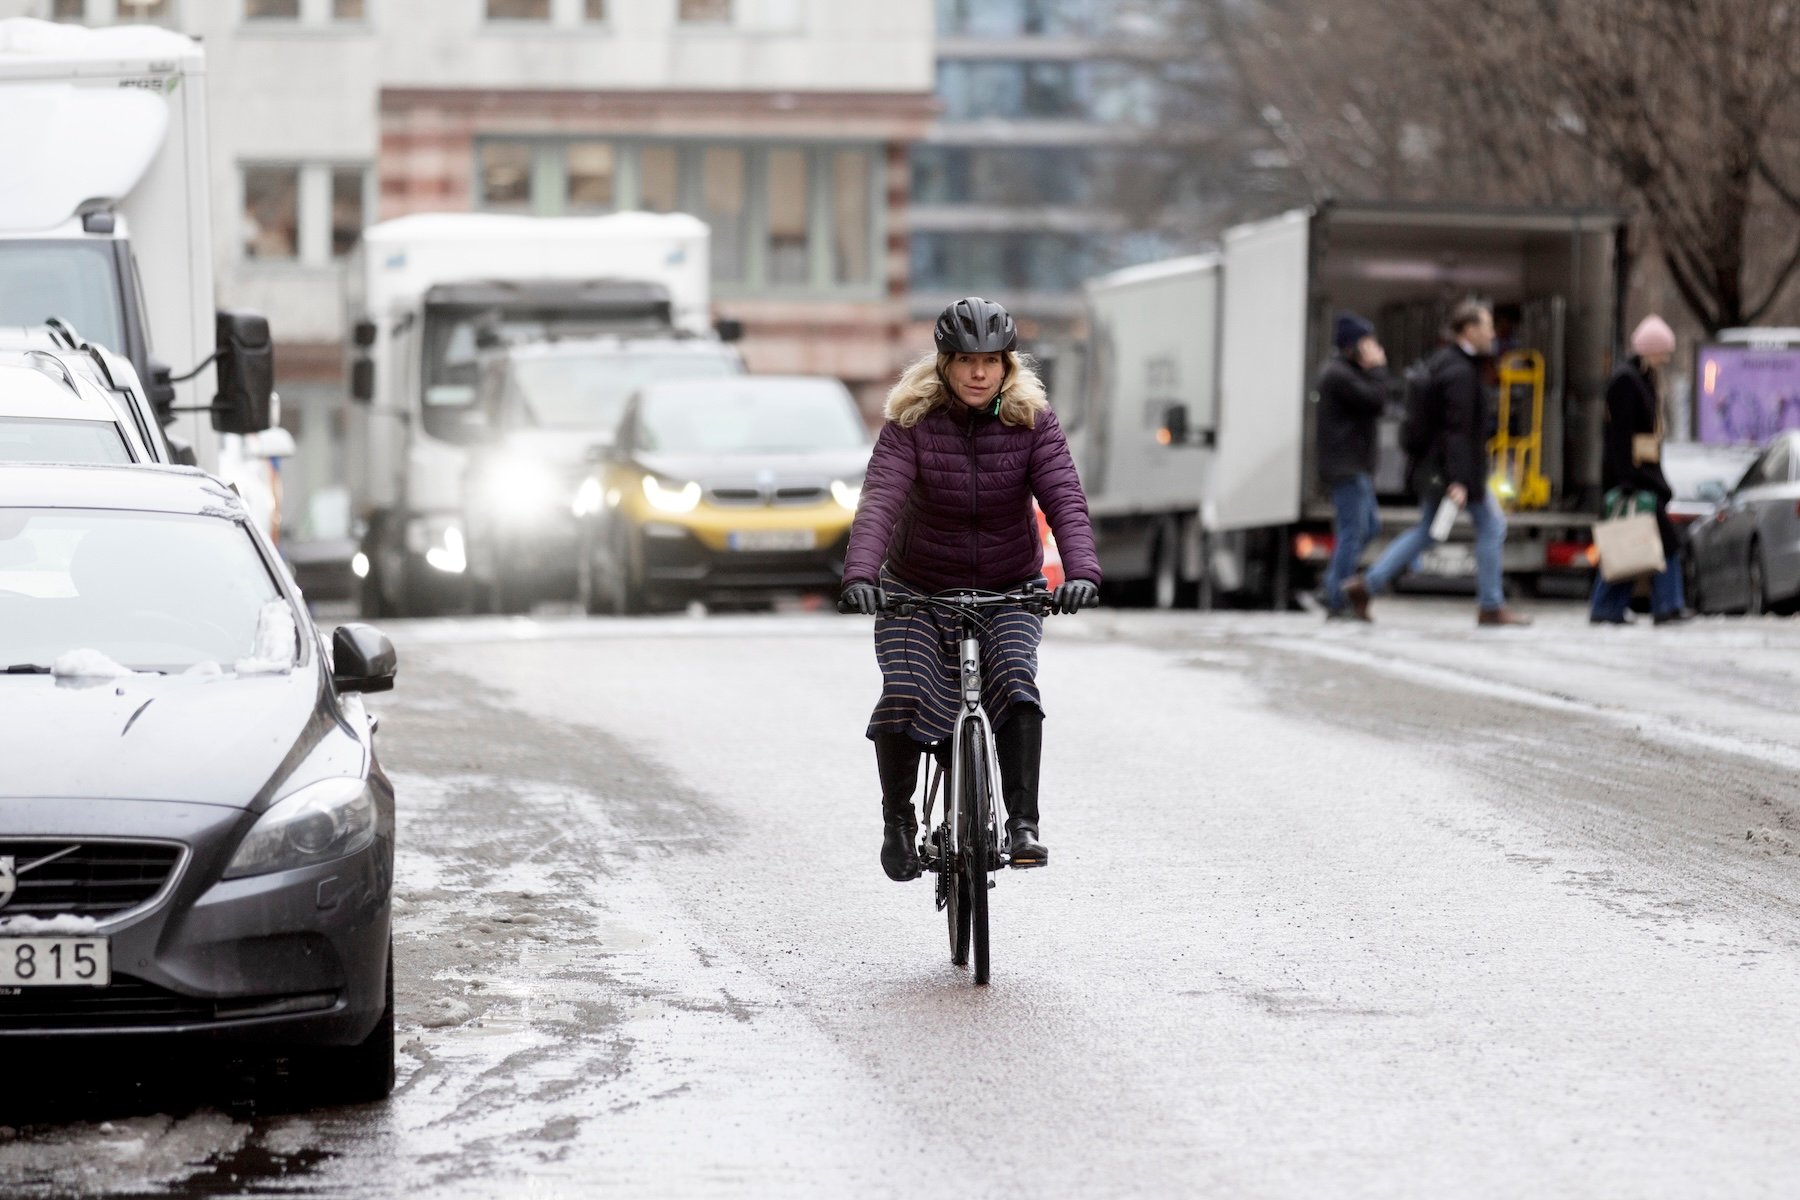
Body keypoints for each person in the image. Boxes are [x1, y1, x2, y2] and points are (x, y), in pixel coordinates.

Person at [841, 297, 1101, 881]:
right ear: (944, 363)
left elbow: (1064, 497)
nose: (979, 373)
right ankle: (898, 822)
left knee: (1016, 683)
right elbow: (880, 500)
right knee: (905, 690)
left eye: (991, 360)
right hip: (917, 589)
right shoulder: (910, 423)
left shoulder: (1033, 421)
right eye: (965, 360)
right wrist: (861, 575)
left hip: (1009, 589)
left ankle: (1023, 825)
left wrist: (1081, 573)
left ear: (1008, 365)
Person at [1344, 301, 1532, 627]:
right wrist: (1459, 479)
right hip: (1456, 471)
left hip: (1439, 469)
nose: (1492, 334)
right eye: (1487, 327)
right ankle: (1490, 605)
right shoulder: (1460, 371)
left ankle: (1367, 585)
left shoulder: (1447, 362)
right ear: (1469, 330)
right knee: (1491, 526)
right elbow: (1457, 431)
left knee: (1429, 531)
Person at [1590, 315, 1689, 626]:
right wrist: (1626, 478)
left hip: (1639, 476)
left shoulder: (1639, 378)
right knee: (1649, 540)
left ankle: (1610, 607)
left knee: (1630, 541)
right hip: (1634, 478)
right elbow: (1620, 436)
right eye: (1663, 351)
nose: (1666, 358)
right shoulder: (1627, 381)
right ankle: (1666, 605)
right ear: (1650, 349)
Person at [1316, 312, 1389, 620]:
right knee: (1353, 531)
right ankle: (1336, 597)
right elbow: (1377, 401)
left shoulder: (1348, 372)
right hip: (1346, 467)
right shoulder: (1339, 375)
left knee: (1369, 528)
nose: (1373, 348)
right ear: (1352, 346)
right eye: (1366, 342)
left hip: (1356, 466)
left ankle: (1332, 584)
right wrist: (1379, 369)